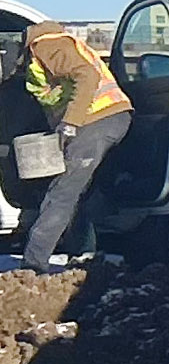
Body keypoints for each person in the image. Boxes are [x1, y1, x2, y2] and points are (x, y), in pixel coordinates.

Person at [4, 15, 133, 270]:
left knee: (62, 192)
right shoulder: (43, 52)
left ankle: (33, 265)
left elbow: (86, 75)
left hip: (97, 119)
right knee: (77, 190)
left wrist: (70, 123)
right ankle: (84, 252)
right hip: (103, 119)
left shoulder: (46, 45)